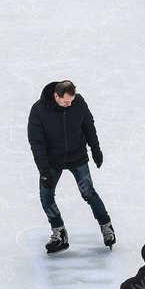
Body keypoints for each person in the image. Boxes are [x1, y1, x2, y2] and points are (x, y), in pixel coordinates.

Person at [27, 79, 114, 255]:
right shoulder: (39, 111)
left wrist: (96, 150)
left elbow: (89, 126)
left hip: (77, 157)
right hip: (53, 162)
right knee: (46, 197)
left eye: (71, 101)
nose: (69, 104)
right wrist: (44, 171)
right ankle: (59, 232)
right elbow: (37, 143)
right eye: (65, 101)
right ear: (56, 96)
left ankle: (106, 226)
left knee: (88, 192)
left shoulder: (78, 103)